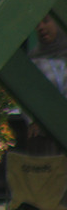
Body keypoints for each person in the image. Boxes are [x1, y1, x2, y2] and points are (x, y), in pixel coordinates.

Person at [26, 14, 67, 154]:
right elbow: (27, 95)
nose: (41, 27)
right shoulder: (34, 61)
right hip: (46, 138)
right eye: (37, 24)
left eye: (46, 21)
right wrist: (33, 120)